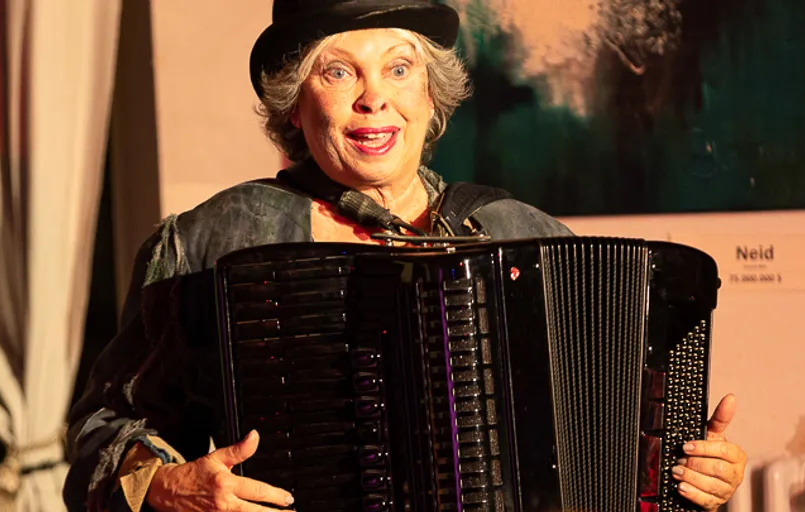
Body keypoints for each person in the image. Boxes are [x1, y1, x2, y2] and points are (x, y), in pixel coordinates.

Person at [62, 1, 747, 511]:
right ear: (295, 105)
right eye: (338, 71)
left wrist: (698, 480)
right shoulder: (207, 245)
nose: (374, 98)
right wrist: (161, 486)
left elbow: (630, 460)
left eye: (398, 67)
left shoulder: (524, 234)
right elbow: (100, 435)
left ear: (430, 94)